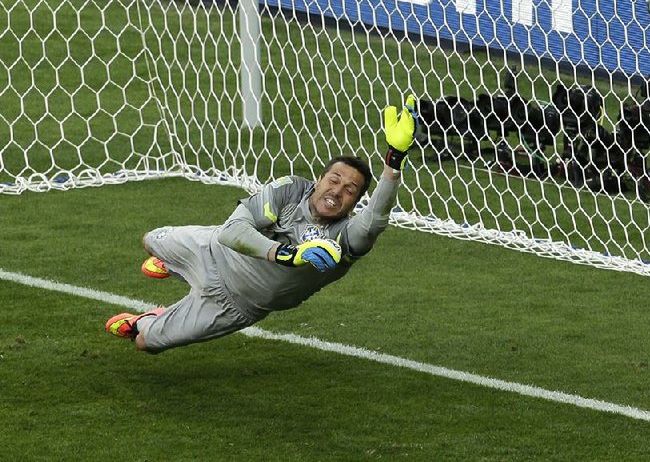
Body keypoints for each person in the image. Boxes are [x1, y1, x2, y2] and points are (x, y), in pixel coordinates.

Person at [105, 96, 417, 353]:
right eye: (334, 180)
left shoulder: (347, 238)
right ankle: (175, 265)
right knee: (150, 239)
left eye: (350, 190)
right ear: (319, 179)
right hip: (213, 250)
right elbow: (231, 232)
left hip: (236, 304)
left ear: (355, 203)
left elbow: (376, 219)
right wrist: (288, 255)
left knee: (146, 343)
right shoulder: (292, 188)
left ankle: (148, 318)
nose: (337, 191)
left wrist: (393, 163)